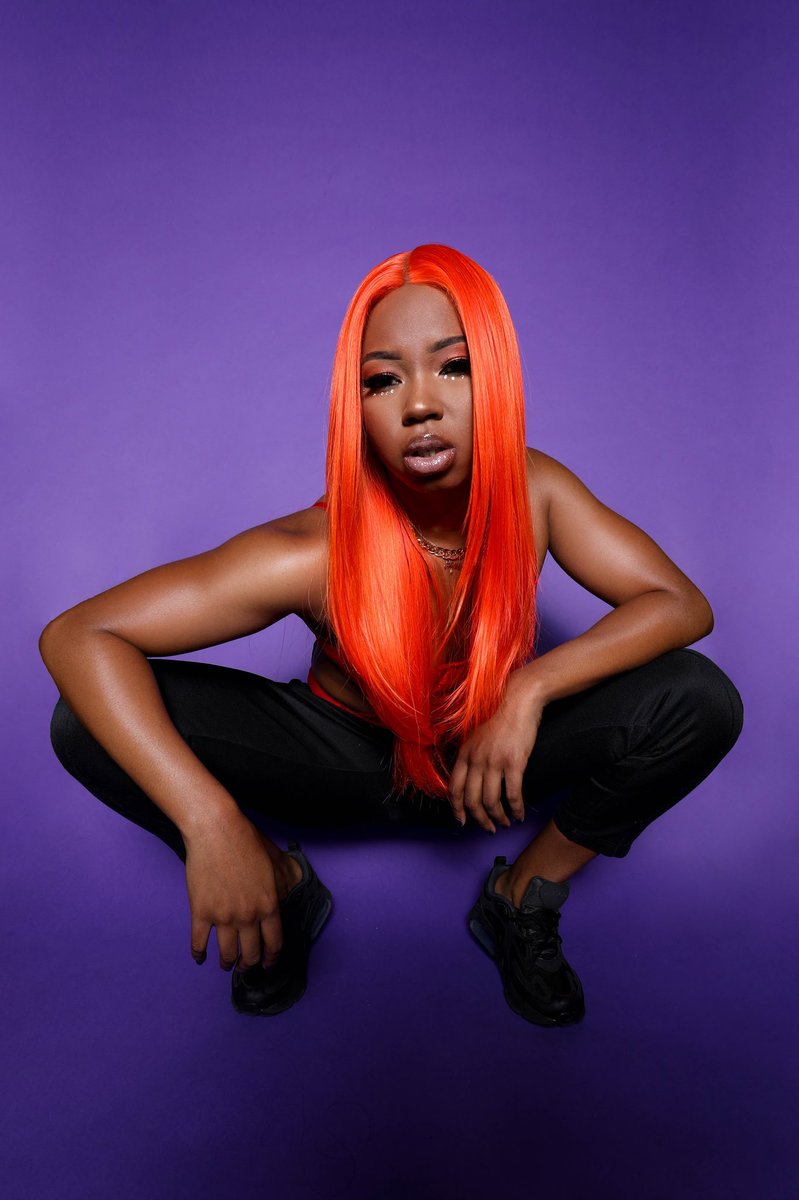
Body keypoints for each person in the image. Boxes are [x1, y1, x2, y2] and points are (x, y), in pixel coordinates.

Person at [41, 244, 744, 1028]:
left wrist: (531, 687)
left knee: (699, 698)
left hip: (485, 763)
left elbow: (678, 603)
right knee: (89, 724)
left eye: (453, 367)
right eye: (382, 380)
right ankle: (277, 889)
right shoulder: (311, 552)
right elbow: (79, 635)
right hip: (345, 763)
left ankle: (522, 896)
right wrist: (211, 823)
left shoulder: (536, 490)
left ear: (496, 376)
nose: (419, 405)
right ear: (357, 406)